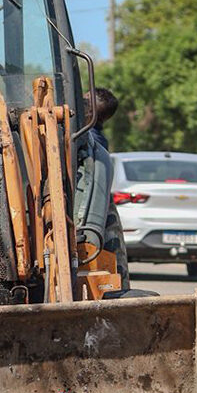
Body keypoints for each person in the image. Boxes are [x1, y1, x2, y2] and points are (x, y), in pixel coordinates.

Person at [84, 86, 130, 289]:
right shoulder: (94, 136)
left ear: (91, 112)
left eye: (84, 101)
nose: (79, 102)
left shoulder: (91, 141)